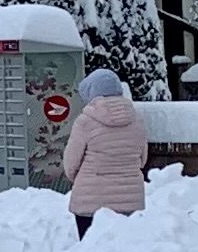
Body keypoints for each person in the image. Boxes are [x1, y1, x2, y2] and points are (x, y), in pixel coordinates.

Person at [62, 67, 147, 238]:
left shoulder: (85, 122)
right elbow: (142, 159)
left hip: (90, 202)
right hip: (130, 202)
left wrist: (81, 178)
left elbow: (71, 164)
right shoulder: (137, 119)